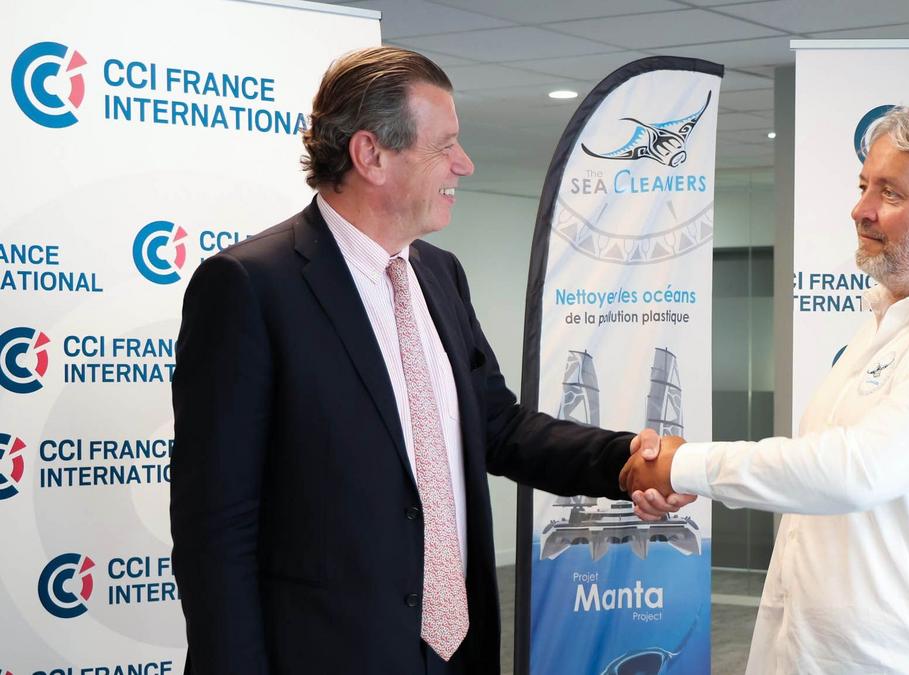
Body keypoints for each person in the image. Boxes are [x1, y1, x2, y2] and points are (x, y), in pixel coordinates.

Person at [170, 47, 675, 675]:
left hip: (457, 649)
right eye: (444, 146)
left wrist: (624, 461)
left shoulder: (440, 274)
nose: (464, 164)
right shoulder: (249, 286)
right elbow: (215, 528)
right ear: (371, 155)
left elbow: (498, 427)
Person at [622, 106, 909, 673]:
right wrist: (686, 477)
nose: (860, 209)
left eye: (889, 193)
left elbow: (854, 471)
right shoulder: (885, 326)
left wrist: (684, 466)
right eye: (864, 186)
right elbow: (816, 484)